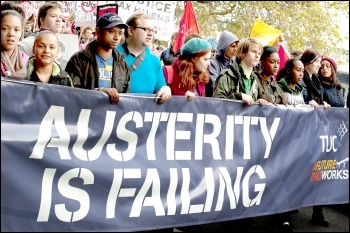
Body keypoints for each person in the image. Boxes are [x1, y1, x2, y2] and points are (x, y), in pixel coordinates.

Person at [65, 12, 129, 105]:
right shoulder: (78, 59)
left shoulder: (122, 64)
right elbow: (70, 93)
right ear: (98, 32)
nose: (116, 37)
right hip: (84, 115)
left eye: (120, 33)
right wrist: (99, 91)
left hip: (110, 116)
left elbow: (126, 96)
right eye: (111, 31)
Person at [299, 49, 330, 227]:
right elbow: (300, 100)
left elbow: (319, 100)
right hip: (303, 133)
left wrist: (323, 103)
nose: (319, 64)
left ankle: (317, 212)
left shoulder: (316, 80)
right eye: (317, 61)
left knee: (318, 172)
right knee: (298, 172)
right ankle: (284, 213)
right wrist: (307, 103)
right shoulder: (302, 79)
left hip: (316, 132)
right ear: (308, 62)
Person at [116, 12, 171, 105]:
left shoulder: (155, 61)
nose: (151, 34)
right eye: (145, 29)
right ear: (130, 30)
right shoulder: (111, 53)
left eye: (152, 31)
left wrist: (166, 89)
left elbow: (161, 87)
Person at [212, 38, 267, 106]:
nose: (257, 56)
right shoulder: (228, 74)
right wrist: (238, 96)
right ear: (242, 53)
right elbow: (217, 102)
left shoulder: (255, 79)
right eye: (253, 52)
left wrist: (258, 102)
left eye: (259, 53)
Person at [207, 30, 240, 97]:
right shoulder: (213, 63)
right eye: (233, 46)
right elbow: (216, 87)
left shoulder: (234, 62)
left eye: (236, 46)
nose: (235, 49)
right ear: (224, 46)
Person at [1, 8, 29, 79]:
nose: (11, 34)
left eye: (16, 30)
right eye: (4, 28)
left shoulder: (25, 59)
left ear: (21, 33)